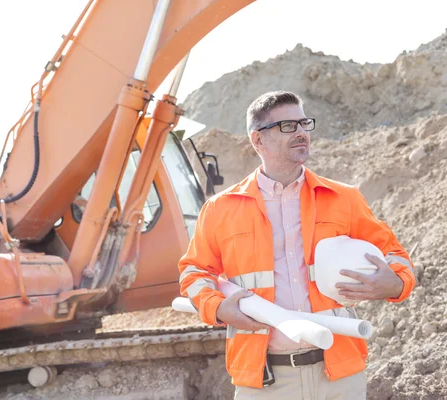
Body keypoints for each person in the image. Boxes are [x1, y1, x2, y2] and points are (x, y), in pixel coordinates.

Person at [178, 90, 415, 399]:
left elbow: (396, 256)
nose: (302, 132)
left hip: (339, 375)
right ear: (257, 140)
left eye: (304, 123)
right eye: (288, 126)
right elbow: (194, 274)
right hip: (264, 380)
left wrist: (394, 284)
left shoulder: (344, 199)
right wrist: (220, 308)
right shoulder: (221, 209)